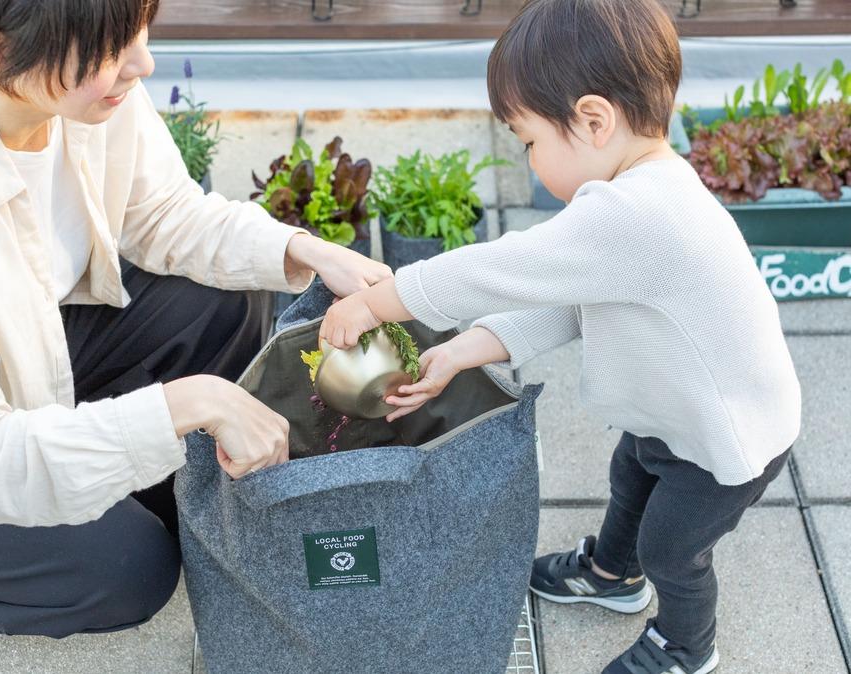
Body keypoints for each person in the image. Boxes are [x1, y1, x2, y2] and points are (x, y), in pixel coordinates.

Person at [0, 0, 390, 639]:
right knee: (132, 572)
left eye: (137, 31)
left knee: (227, 296)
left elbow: (164, 213)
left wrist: (306, 250)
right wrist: (186, 402)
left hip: (36, 350)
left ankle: (137, 480)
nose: (143, 62)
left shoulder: (74, 89)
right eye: (111, 48)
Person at [318, 0, 800, 672]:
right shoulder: (642, 190)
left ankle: (687, 645)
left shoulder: (635, 214)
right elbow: (572, 305)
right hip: (673, 413)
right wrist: (462, 349)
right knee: (630, 478)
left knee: (674, 549)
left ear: (594, 121)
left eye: (529, 139)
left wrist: (379, 303)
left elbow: (503, 267)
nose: (528, 156)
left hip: (728, 437)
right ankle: (611, 575)